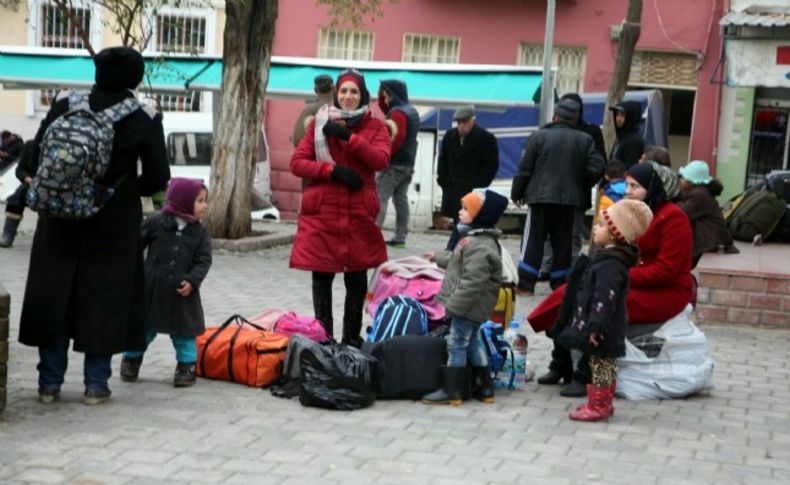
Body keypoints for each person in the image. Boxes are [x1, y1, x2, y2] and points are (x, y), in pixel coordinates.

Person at [18, 47, 170, 405]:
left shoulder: (65, 105)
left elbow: (36, 155)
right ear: (135, 76)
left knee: (55, 293)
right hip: (112, 221)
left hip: (58, 217)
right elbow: (158, 176)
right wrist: (127, 188)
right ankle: (95, 384)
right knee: (105, 296)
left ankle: (49, 383)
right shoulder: (144, 116)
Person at [529, 162, 694, 396]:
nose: (628, 191)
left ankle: (587, 377)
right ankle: (562, 360)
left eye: (635, 186)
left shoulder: (673, 218)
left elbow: (666, 270)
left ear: (653, 187)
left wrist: (618, 276)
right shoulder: (634, 211)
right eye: (627, 184)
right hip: (621, 275)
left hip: (663, 290)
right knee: (569, 293)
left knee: (599, 306)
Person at [289, 68, 391, 348]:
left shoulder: (376, 126)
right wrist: (330, 171)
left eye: (353, 92)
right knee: (322, 276)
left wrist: (350, 138)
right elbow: (297, 163)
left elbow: (380, 159)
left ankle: (349, 340)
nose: (348, 96)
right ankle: (324, 340)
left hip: (358, 214)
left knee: (356, 278)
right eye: (343, 91)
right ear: (336, 93)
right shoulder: (319, 122)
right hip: (323, 214)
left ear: (362, 95)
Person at [553, 199, 653, 421]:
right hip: (604, 325)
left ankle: (598, 406)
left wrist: (596, 326)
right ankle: (602, 404)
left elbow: (604, 298)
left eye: (600, 225)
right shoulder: (607, 259)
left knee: (601, 366)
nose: (595, 228)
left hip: (604, 327)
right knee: (602, 365)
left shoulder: (610, 266)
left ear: (615, 233)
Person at [119, 178, 212, 387]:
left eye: (205, 201)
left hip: (182, 293)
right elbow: (136, 243)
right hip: (152, 287)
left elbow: (204, 260)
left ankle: (186, 366)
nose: (205, 205)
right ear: (183, 200)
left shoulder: (200, 233)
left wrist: (192, 280)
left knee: (184, 332)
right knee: (143, 328)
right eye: (200, 201)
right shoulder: (157, 221)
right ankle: (131, 359)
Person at [421, 189, 508, 406]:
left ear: (480, 215)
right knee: (472, 342)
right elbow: (457, 260)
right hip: (473, 306)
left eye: (465, 209)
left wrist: (454, 306)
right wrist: (438, 258)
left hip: (468, 306)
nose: (460, 212)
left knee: (456, 343)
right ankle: (484, 386)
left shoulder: (480, 244)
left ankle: (452, 390)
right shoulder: (473, 238)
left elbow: (472, 282)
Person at [511, 99, 604, 295]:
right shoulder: (585, 139)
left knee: (533, 241)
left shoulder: (538, 136)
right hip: (570, 202)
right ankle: (560, 286)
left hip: (539, 199)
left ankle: (526, 285)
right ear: (575, 119)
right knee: (563, 243)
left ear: (555, 117)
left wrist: (517, 193)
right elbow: (597, 167)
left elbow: (524, 168)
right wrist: (580, 183)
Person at [538, 93, 607, 281]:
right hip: (551, 191)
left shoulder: (590, 132)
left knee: (573, 232)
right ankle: (547, 266)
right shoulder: (549, 131)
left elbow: (599, 163)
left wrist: (584, 180)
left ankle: (570, 267)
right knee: (549, 232)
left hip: (576, 193)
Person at [437, 105, 499, 250]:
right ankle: (456, 250)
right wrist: (444, 181)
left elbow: (490, 167)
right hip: (452, 190)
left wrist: (477, 187)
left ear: (473, 120)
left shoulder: (486, 139)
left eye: (464, 122)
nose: (461, 126)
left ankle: (452, 250)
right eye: (458, 122)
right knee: (460, 222)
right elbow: (442, 162)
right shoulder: (449, 137)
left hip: (471, 191)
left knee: (465, 224)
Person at [375, 79, 420, 248]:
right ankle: (401, 237)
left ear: (391, 94)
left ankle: (372, 234)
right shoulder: (411, 111)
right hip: (408, 163)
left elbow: (395, 140)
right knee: (400, 199)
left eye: (384, 93)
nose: (383, 97)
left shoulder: (398, 114)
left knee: (380, 197)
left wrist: (381, 158)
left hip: (394, 164)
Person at [676, 160, 738, 268]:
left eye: (683, 178)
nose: (680, 180)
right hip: (713, 239)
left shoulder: (699, 196)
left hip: (712, 241)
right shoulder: (700, 192)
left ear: (691, 181)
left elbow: (680, 213)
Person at [0, 140, 34, 248]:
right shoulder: (30, 146)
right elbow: (20, 169)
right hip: (31, 183)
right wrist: (27, 178)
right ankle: (8, 234)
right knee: (17, 196)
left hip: (54, 186)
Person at [292, 74, 334, 148]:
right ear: (334, 88)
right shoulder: (342, 108)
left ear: (315, 90)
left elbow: (297, 141)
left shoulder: (309, 110)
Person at [609, 100, 645, 170]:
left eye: (622, 115)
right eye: (617, 115)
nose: (618, 118)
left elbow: (629, 169)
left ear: (630, 117)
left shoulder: (634, 141)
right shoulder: (622, 137)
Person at [594, 159, 627, 225]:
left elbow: (600, 219)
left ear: (606, 177)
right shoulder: (630, 188)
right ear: (625, 174)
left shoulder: (607, 194)